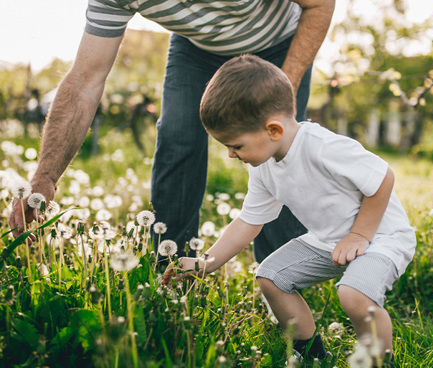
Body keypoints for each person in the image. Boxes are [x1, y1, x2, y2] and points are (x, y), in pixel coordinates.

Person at [8, 0, 335, 263]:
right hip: (196, 48)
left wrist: (280, 89)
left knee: (279, 151)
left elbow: (319, 4)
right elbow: (84, 82)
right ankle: (174, 268)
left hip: (278, 42)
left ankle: (286, 274)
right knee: (178, 135)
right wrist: (45, 177)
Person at [163, 55, 416, 367]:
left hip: (381, 237)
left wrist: (360, 234)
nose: (230, 154)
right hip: (328, 242)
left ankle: (379, 361)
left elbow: (382, 177)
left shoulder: (322, 147)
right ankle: (310, 354)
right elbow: (247, 223)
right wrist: (205, 263)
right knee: (270, 277)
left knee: (352, 295)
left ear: (272, 130)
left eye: (236, 145)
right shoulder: (264, 167)